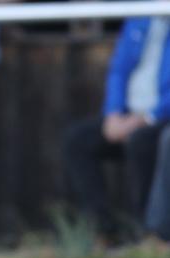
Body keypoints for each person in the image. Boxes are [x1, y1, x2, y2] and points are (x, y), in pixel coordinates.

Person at [63, 16, 170, 240]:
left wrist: (147, 118)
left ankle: (147, 233)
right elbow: (118, 70)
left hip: (160, 117)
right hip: (127, 114)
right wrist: (112, 114)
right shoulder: (141, 18)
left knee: (142, 142)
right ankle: (104, 230)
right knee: (78, 140)